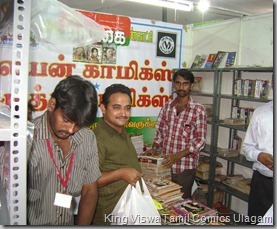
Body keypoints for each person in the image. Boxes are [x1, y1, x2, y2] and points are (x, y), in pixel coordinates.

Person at [27, 75, 101, 225]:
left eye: (78, 124)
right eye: (66, 120)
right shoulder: (26, 140)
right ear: (52, 105)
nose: (71, 129)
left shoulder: (87, 138)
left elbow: (90, 191)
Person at [151, 69, 207, 199]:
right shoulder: (167, 107)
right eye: (178, 83)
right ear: (174, 84)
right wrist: (154, 150)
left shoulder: (198, 110)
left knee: (181, 206)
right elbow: (159, 132)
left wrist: (177, 156)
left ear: (191, 86)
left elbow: (200, 141)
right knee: (163, 202)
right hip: (164, 166)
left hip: (184, 168)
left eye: (185, 83)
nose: (181, 87)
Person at [92, 84, 142, 225]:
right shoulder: (97, 138)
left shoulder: (120, 129)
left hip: (128, 208)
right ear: (103, 108)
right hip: (110, 213)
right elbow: (90, 181)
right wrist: (121, 173)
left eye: (127, 108)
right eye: (116, 108)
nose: (123, 113)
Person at [242, 77, 273, 224]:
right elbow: (247, 146)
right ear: (272, 84)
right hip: (263, 183)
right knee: (256, 221)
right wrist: (259, 155)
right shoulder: (260, 113)